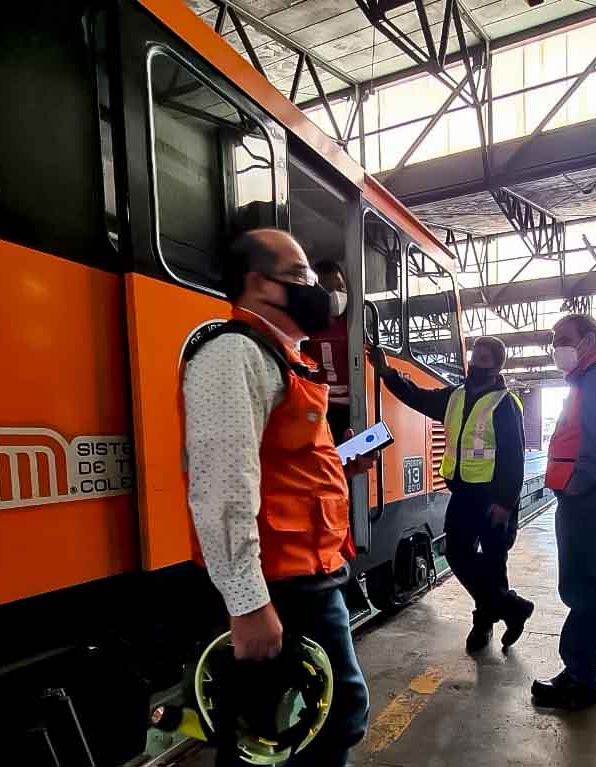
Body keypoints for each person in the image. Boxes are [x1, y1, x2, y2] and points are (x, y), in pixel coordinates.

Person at [182, 228, 374, 767]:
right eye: (300, 276)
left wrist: (340, 464)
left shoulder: (282, 359)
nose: (318, 289)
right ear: (258, 284)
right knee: (317, 724)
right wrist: (247, 603)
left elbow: (281, 466)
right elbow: (220, 488)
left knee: (291, 726)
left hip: (305, 573)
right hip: (279, 585)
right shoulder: (232, 354)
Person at [368, 337, 534, 653]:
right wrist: (387, 372)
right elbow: (415, 397)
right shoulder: (454, 396)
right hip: (463, 494)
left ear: (497, 366)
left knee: (494, 563)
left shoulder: (505, 403)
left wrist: (504, 503)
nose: (475, 364)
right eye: (474, 358)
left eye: (483, 360)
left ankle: (483, 623)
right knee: (458, 554)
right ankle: (512, 608)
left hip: (494, 499)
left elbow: (515, 456)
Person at [531, 314, 596, 711]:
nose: (557, 347)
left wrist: (578, 481)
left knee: (583, 585)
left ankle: (579, 676)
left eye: (564, 339)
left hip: (588, 496)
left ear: (589, 340)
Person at [304, 260, 351, 440]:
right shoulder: (306, 325)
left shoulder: (354, 323)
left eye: (340, 288)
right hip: (318, 409)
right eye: (327, 289)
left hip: (351, 409)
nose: (335, 295)